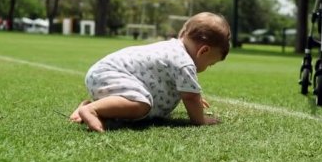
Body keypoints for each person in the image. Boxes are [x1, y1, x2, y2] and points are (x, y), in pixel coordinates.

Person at [70, 12, 231, 132]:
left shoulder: (174, 48)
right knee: (141, 104)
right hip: (112, 72)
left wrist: (194, 95)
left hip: (104, 72)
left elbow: (188, 91)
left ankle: (92, 105)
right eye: (211, 64)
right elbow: (190, 97)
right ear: (203, 51)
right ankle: (91, 110)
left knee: (135, 102)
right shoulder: (184, 63)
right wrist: (200, 119)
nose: (207, 68)